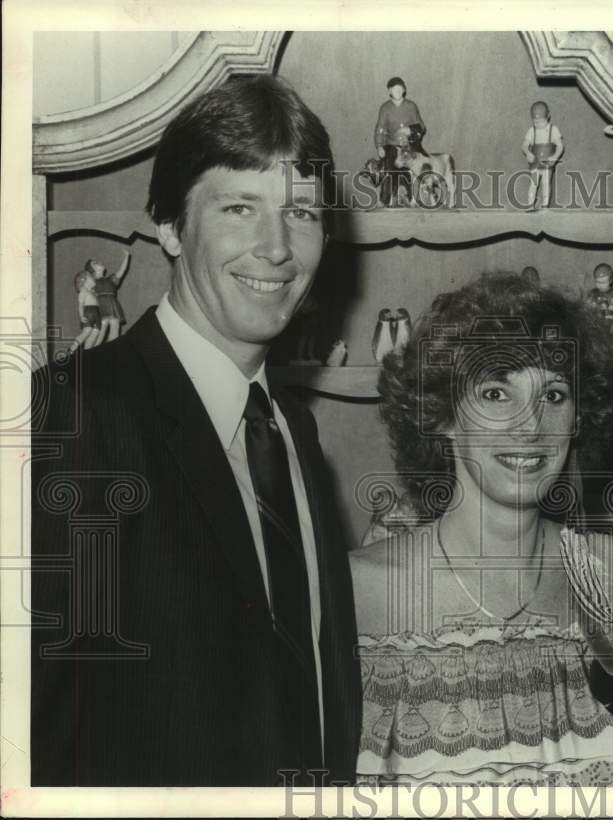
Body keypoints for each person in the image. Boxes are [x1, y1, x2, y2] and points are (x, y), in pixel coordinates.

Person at [31, 75, 361, 786]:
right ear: (171, 226)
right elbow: (31, 727)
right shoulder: (77, 412)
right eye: (240, 207)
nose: (276, 249)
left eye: (301, 213)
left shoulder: (292, 433)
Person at [350, 274, 613, 785]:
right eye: (496, 392)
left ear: (579, 419)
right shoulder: (362, 591)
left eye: (554, 395)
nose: (530, 425)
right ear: (441, 416)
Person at [373, 76, 426, 207]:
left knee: (415, 167)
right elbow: (380, 128)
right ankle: (385, 200)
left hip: (410, 145)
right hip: (391, 145)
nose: (397, 91)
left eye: (400, 89)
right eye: (394, 89)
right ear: (389, 91)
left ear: (404, 90)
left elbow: (422, 126)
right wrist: (379, 146)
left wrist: (411, 129)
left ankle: (410, 198)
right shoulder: (385, 108)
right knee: (390, 167)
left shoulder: (411, 106)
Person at [522, 101, 564, 210]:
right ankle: (530, 205)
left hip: (547, 164)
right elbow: (524, 145)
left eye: (541, 121)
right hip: (535, 164)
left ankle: (545, 206)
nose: (539, 124)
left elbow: (560, 146)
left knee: (546, 183)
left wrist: (555, 157)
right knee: (533, 183)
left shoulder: (553, 129)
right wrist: (527, 153)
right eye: (536, 122)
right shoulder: (532, 130)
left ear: (548, 116)